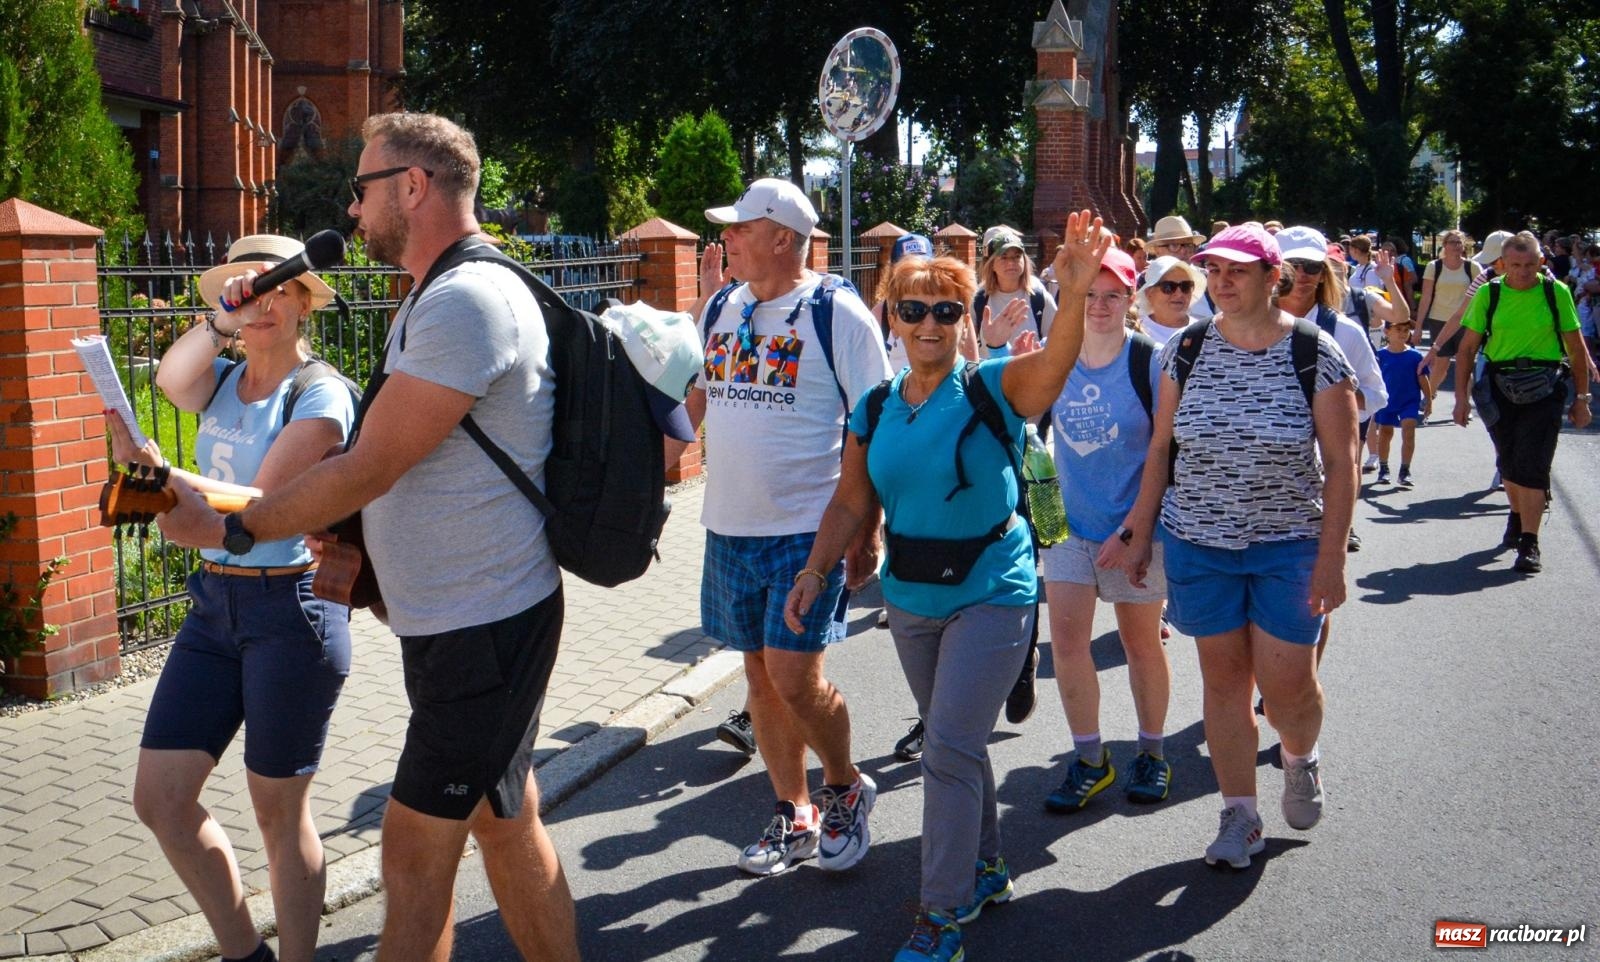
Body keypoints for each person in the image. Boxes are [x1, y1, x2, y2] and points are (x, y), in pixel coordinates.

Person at [157, 112, 582, 962]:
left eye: (362, 187)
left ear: (412, 187)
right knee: (505, 824)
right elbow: (416, 467)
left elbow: (368, 466)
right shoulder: (438, 292)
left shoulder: (464, 300)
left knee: (412, 856)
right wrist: (362, 547)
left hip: (481, 630)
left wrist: (235, 530)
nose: (352, 209)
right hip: (460, 619)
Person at [784, 211, 1098, 962]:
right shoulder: (876, 407)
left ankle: (941, 915)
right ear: (892, 317)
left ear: (968, 318)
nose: (930, 324)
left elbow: (1054, 365)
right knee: (957, 746)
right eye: (914, 309)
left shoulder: (992, 387)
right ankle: (987, 868)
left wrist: (1078, 293)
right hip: (910, 598)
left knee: (947, 749)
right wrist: (816, 568)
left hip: (994, 589)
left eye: (947, 310)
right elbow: (852, 502)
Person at [113, 235, 353, 962]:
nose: (265, 303)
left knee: (280, 817)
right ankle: (243, 953)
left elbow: (266, 503)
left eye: (282, 288)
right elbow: (167, 380)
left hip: (292, 611)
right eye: (250, 291)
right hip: (214, 607)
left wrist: (172, 483)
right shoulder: (219, 379)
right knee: (161, 799)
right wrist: (220, 320)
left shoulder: (320, 391)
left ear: (306, 301)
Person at [1102, 223, 1358, 870]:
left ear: (1276, 279)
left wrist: (1332, 557)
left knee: (1288, 687)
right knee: (1223, 683)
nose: (1221, 282)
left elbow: (1343, 460)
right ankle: (1239, 815)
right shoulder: (1183, 351)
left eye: (1238, 271)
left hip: (1288, 543)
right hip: (1199, 541)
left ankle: (1299, 757)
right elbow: (1161, 448)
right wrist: (1138, 532)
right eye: (1214, 271)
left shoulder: (1316, 353)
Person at [690, 177, 891, 877]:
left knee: (795, 677)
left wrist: (866, 528)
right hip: (728, 528)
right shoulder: (721, 303)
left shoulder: (836, 312)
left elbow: (876, 426)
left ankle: (843, 786)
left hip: (807, 532)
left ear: (783, 237)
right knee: (759, 676)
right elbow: (692, 403)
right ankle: (792, 812)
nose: (727, 239)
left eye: (740, 228)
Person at [1039, 245, 1174, 814]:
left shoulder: (1151, 361)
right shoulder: (1056, 356)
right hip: (1070, 529)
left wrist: (1137, 530)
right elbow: (1023, 426)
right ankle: (1091, 759)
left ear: (1130, 298)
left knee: (1140, 644)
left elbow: (1166, 453)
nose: (1098, 305)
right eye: (1089, 294)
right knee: (1069, 644)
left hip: (1136, 530)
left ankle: (1152, 752)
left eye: (1111, 294)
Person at [1452, 232, 1592, 573]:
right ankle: (1516, 514)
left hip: (1545, 386)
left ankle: (1530, 542)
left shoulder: (1554, 291)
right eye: (1515, 265)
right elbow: (1468, 348)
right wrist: (1460, 398)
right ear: (1502, 264)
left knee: (1533, 463)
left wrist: (1582, 399)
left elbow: (1574, 348)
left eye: (1530, 264)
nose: (1523, 271)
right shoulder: (1490, 293)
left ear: (1541, 263)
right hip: (1500, 387)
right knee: (1510, 462)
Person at [1274, 225, 1386, 551]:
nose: (1303, 275)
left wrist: (1336, 395)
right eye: (1293, 265)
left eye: (1312, 267)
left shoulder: (1345, 331)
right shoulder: (1241, 327)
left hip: (1319, 482)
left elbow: (1377, 395)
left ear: (1324, 273)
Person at [1416, 230, 1477, 396]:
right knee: (1441, 363)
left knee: (1465, 363)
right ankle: (1429, 396)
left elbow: (1480, 297)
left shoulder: (1472, 267)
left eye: (1459, 242)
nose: (1456, 246)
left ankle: (1463, 400)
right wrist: (1419, 326)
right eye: (1452, 242)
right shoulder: (1433, 267)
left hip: (1466, 321)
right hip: (1438, 319)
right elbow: (1426, 297)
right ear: (1444, 245)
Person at [974, 227, 1057, 352]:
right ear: (991, 264)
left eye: (1016, 256)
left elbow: (1056, 342)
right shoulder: (978, 299)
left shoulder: (1039, 297)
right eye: (1004, 257)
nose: (1011, 263)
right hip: (991, 371)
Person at [1373, 318, 1433, 488]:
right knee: (1385, 433)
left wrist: (1428, 400)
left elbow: (1423, 378)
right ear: (1387, 333)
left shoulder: (1414, 356)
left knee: (1409, 431)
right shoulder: (1380, 355)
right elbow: (1374, 379)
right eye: (1398, 329)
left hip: (1409, 401)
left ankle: (1405, 470)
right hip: (1386, 401)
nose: (1402, 334)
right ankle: (1383, 468)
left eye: (1406, 330)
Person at [1147, 216, 1213, 321]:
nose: (1183, 251)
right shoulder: (1143, 282)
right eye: (1174, 245)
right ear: (1157, 250)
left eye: (1188, 245)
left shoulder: (1210, 280)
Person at [1136, 255, 1207, 346]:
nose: (1179, 294)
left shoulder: (1204, 332)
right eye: (1168, 287)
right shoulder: (1135, 330)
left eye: (1185, 286)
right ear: (1149, 293)